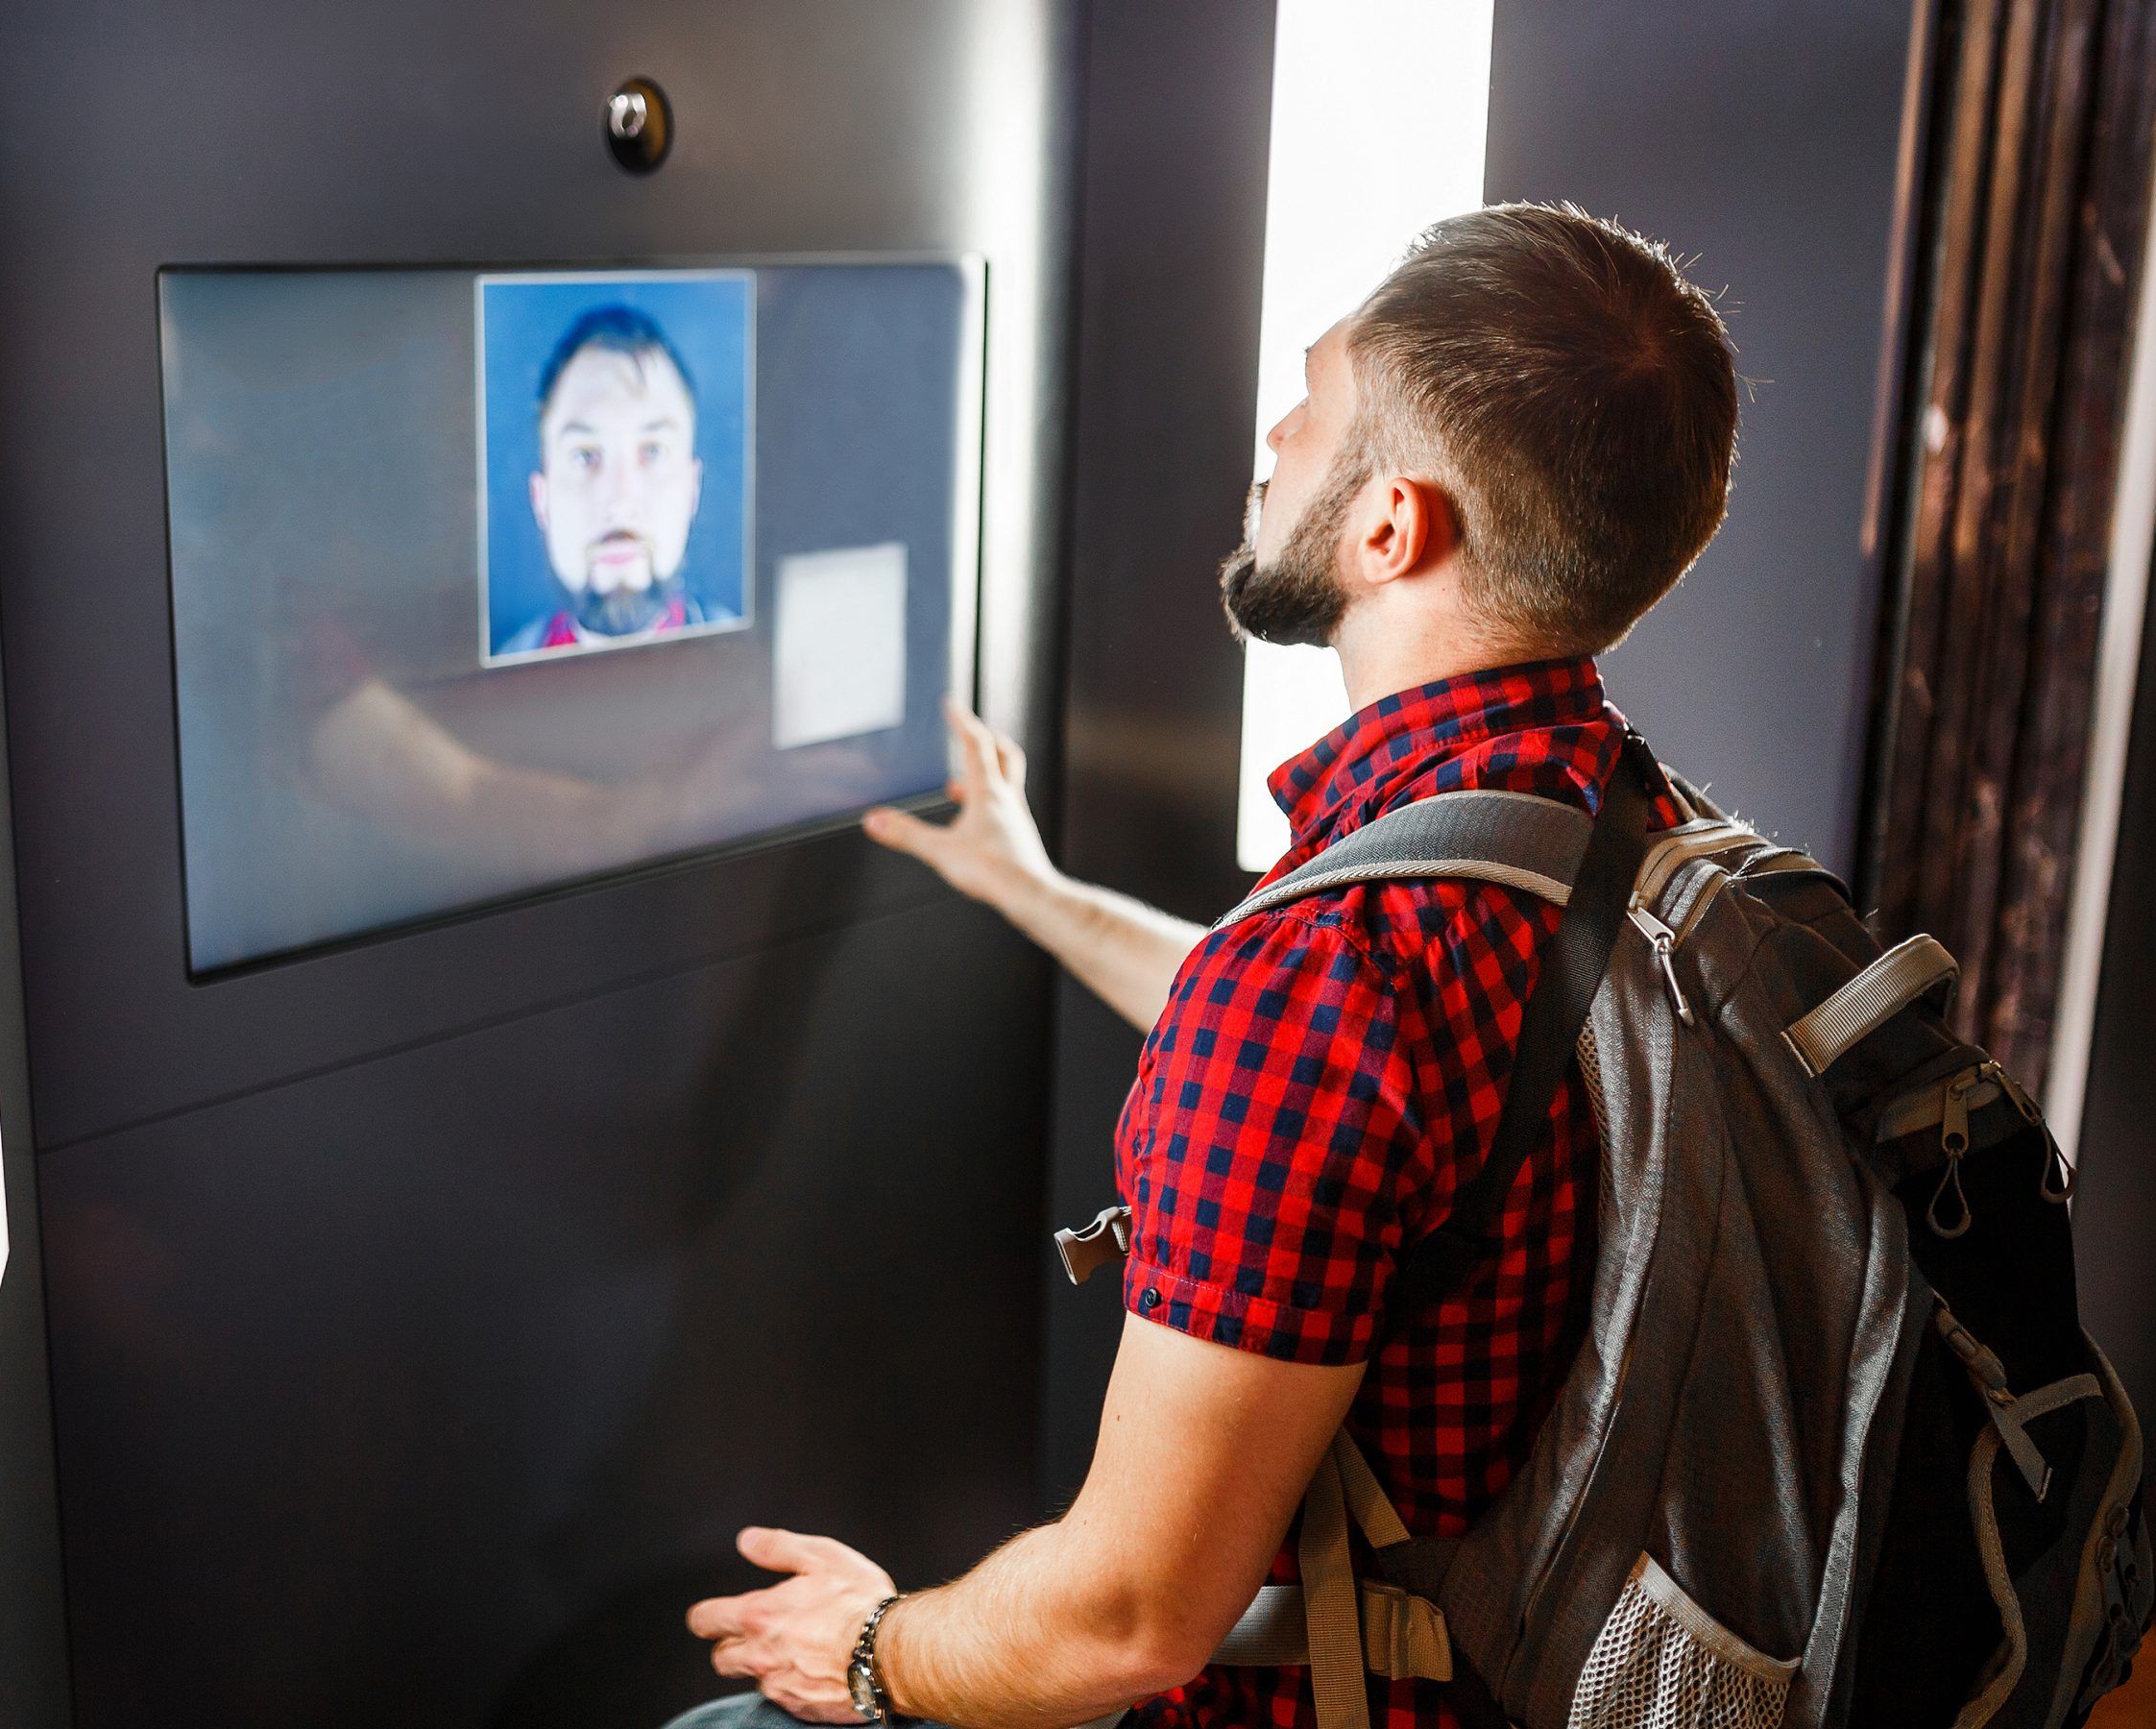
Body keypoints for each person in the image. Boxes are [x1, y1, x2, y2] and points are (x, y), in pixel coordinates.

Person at [669, 202, 1738, 1729]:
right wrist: (1033, 890)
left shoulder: (1327, 976)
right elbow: (1378, 1093)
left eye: (1311, 403)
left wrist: (866, 1647)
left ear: (1389, 529)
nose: (1276, 441)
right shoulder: (1636, 834)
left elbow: (1128, 1619)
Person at [497, 304, 735, 656]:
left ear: (691, 490)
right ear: (541, 501)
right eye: (584, 456)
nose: (620, 503)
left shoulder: (761, 661)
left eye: (653, 451)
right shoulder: (494, 674)